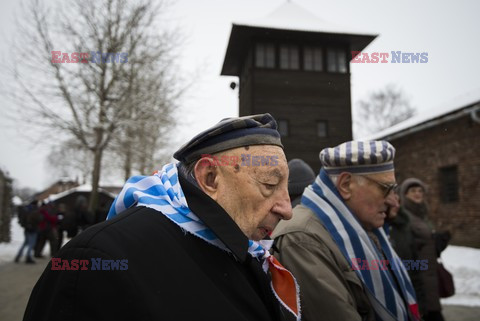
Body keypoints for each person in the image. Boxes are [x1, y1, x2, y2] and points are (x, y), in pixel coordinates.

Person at [23, 113, 300, 321]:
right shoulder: (94, 262)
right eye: (269, 185)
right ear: (211, 178)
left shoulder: (250, 253)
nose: (287, 209)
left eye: (286, 188)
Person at [273, 140, 420, 321]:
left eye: (394, 189)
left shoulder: (362, 225)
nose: (393, 201)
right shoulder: (301, 239)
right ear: (346, 184)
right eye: (385, 188)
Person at [392, 178, 448, 321]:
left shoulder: (421, 214)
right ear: (404, 194)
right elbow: (406, 249)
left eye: (420, 190)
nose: (417, 194)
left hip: (430, 275)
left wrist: (437, 243)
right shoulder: (405, 217)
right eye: (412, 191)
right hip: (419, 277)